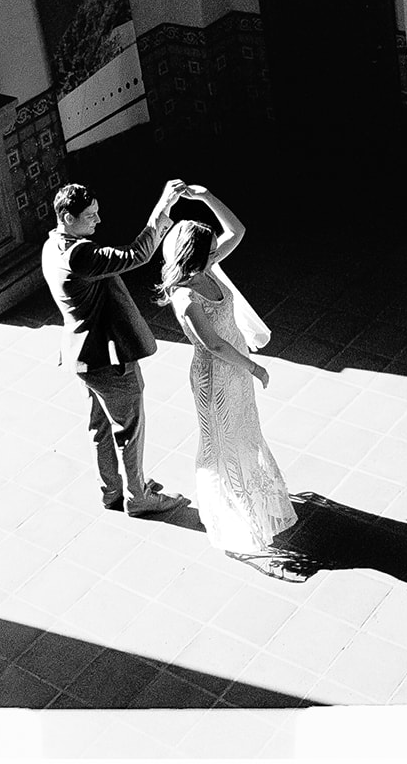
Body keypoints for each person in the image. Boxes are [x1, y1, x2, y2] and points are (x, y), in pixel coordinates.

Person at [157, 186, 298, 565]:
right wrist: (255, 367)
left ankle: (255, 499)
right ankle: (233, 514)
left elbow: (237, 230)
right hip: (217, 377)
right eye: (207, 251)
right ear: (194, 257)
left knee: (245, 431)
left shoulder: (205, 266)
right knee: (222, 443)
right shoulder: (186, 297)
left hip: (234, 371)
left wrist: (205, 197)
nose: (215, 252)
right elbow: (216, 346)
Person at [41, 178, 189, 517]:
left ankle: (111, 490)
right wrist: (163, 208)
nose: (98, 221)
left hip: (82, 356)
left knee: (100, 426)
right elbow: (137, 254)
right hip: (107, 358)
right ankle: (138, 496)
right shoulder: (80, 255)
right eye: (90, 216)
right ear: (67, 217)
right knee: (129, 428)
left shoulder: (54, 245)